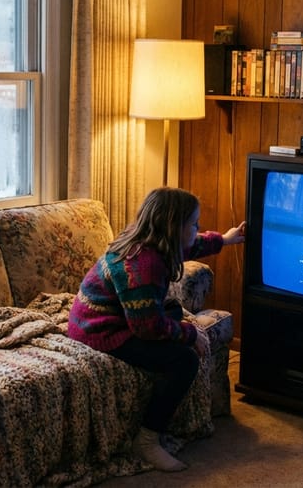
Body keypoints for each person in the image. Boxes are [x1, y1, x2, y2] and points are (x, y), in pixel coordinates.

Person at [68, 187, 245, 472]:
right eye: (194, 223)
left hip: (112, 318)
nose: (197, 228)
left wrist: (223, 239)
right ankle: (147, 439)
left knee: (172, 308)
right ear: (174, 226)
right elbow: (147, 328)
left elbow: (190, 245)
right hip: (99, 330)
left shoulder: (151, 239)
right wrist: (191, 334)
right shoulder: (143, 264)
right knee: (184, 360)